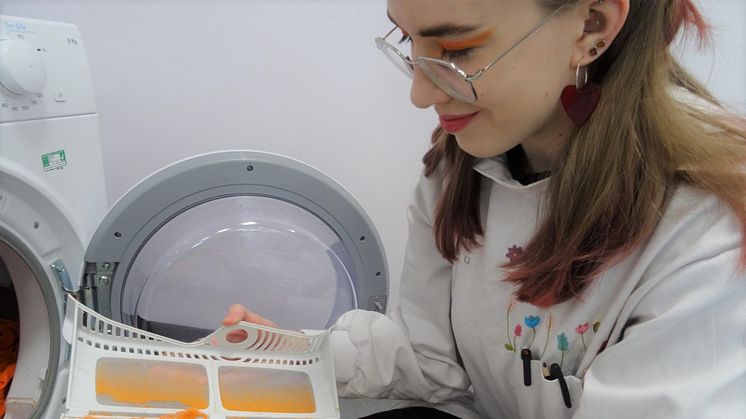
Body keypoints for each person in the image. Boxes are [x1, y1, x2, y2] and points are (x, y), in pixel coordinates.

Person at [223, 0, 746, 417]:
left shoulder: (705, 220)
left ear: (592, 25)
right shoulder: (459, 167)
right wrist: (293, 356)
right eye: (408, 41)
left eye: (458, 50)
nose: (419, 92)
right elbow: (432, 362)